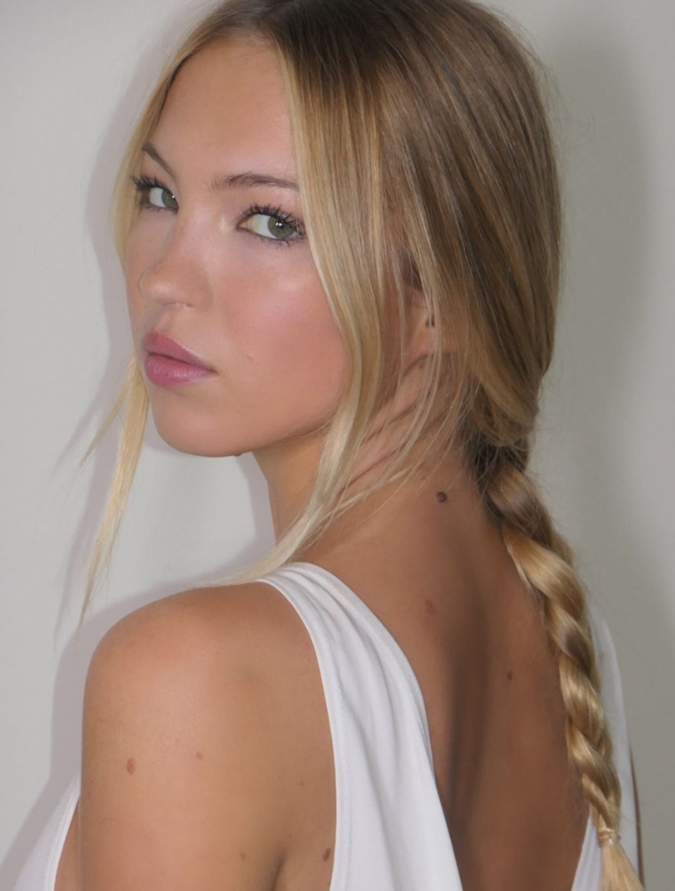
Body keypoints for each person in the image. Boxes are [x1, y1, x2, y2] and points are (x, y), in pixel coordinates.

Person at [15, 0, 644, 889]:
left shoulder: (195, 677)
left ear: (442, 299)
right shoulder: (572, 650)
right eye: (159, 193)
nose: (161, 275)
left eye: (269, 220)